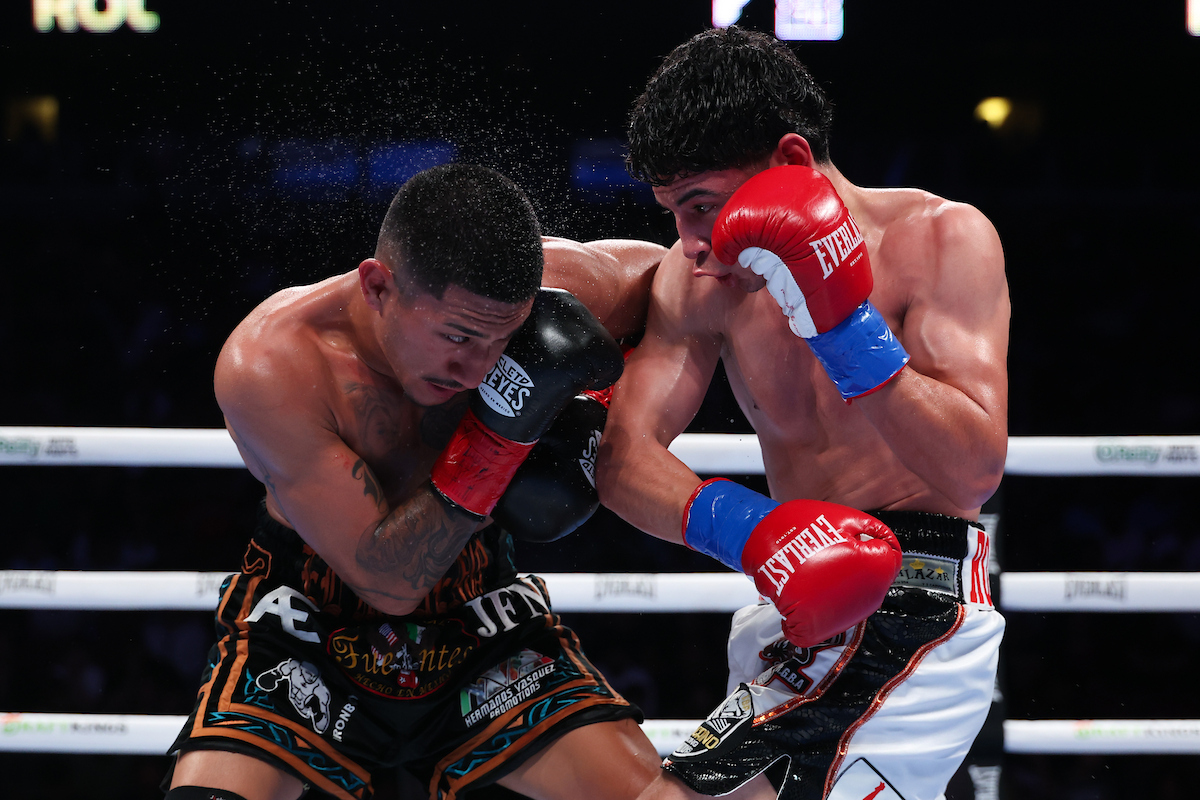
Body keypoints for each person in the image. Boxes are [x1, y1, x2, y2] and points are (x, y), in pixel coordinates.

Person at [163, 162, 668, 800]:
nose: (475, 365)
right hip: (312, 621)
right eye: (457, 335)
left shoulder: (555, 286)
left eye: (503, 340)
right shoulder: (273, 363)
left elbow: (679, 279)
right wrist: (503, 437)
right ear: (378, 286)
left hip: (480, 615)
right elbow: (389, 582)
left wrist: (604, 404)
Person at [596, 26, 1009, 800]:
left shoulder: (943, 239)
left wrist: (842, 325)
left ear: (788, 164)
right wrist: (754, 532)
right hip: (787, 606)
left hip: (918, 597)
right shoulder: (702, 283)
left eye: (701, 205)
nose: (687, 242)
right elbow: (622, 457)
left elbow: (973, 469)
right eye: (671, 211)